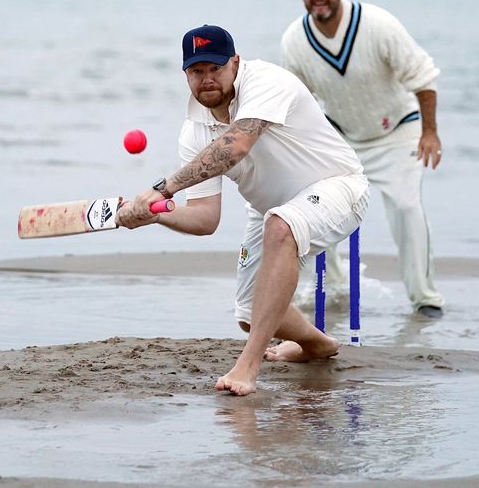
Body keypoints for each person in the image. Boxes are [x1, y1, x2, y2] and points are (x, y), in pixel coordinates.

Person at [118, 24, 371, 396]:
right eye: (196, 71)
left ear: (235, 63)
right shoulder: (195, 130)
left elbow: (234, 147)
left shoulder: (267, 81)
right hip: (271, 208)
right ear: (185, 75)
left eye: (215, 68)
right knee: (250, 315)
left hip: (339, 188)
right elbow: (206, 219)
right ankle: (317, 345)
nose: (207, 79)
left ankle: (247, 368)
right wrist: (156, 213)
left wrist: (163, 188)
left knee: (281, 226)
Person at [280, 0, 445, 318]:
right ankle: (336, 287)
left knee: (405, 206)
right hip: (341, 136)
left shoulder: (378, 25)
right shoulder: (294, 40)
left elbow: (423, 76)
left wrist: (430, 132)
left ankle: (426, 299)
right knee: (317, 206)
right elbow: (297, 102)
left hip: (398, 131)